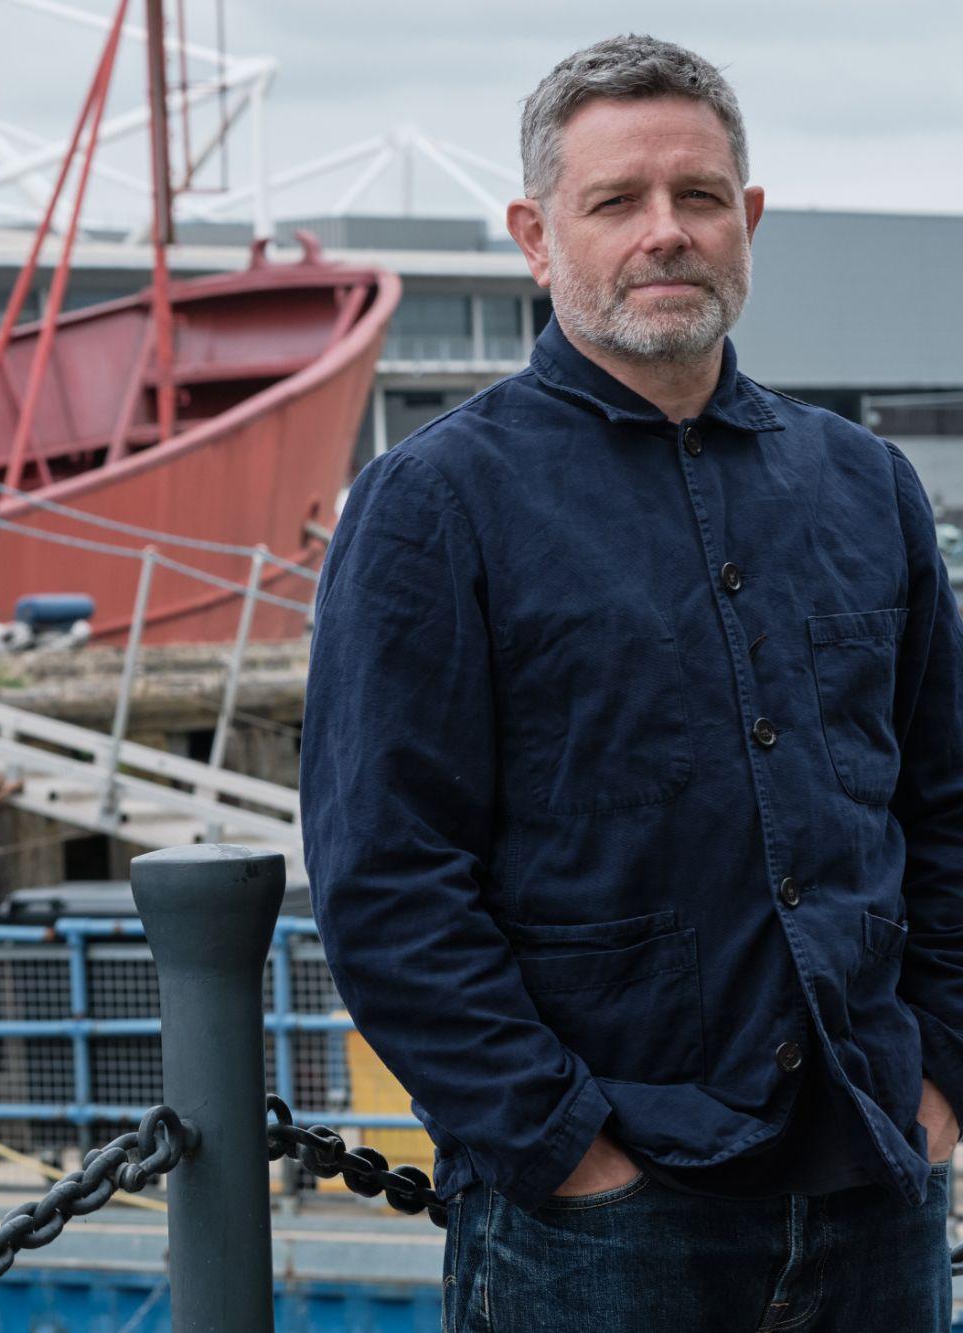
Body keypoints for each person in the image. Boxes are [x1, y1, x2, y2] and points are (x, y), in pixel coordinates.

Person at [298, 33, 963, 1331]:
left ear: (748, 221)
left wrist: (942, 1072)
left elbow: (946, 802)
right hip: (601, 1225)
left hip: (874, 1181)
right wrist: (564, 1150)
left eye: (699, 197)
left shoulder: (865, 486)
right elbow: (386, 875)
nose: (666, 232)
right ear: (537, 237)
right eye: (617, 202)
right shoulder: (435, 506)